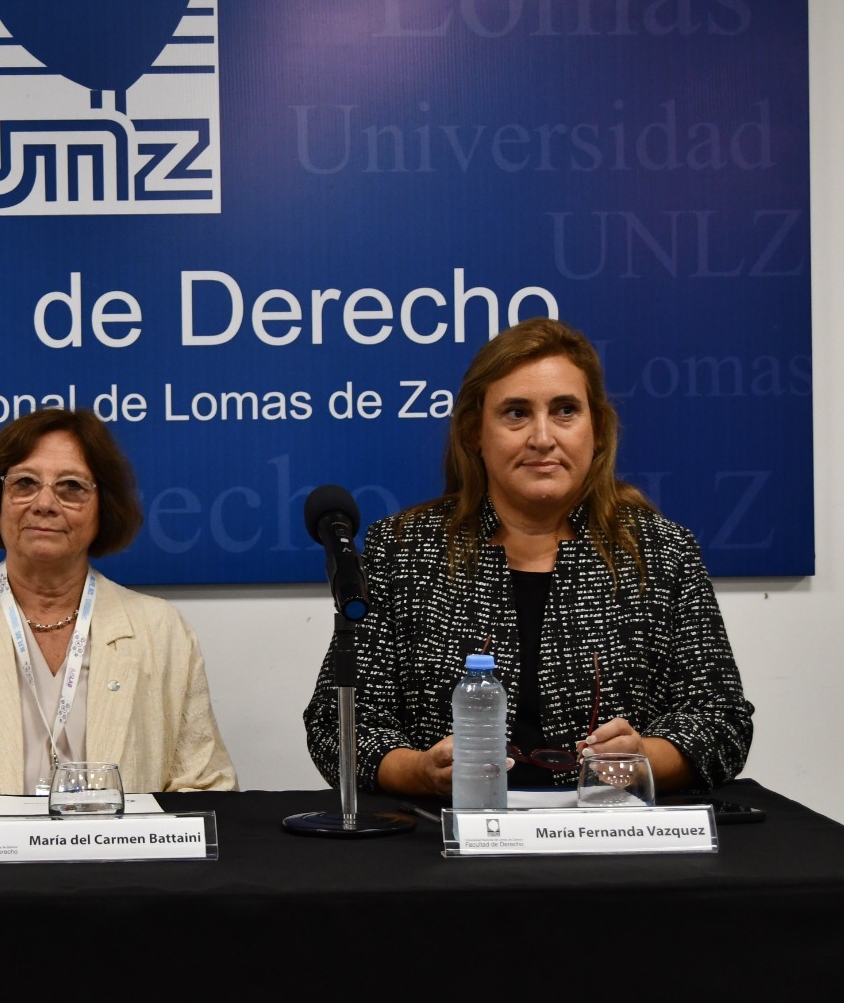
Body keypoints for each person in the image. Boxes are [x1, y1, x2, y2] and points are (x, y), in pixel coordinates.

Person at [303, 318, 753, 797]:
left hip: (612, 840)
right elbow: (338, 724)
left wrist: (641, 758)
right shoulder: (405, 550)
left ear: (596, 429)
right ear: (477, 432)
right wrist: (419, 772)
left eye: (565, 411)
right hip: (441, 844)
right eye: (516, 413)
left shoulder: (661, 554)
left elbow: (721, 720)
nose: (542, 437)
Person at [0, 408, 236, 796]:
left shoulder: (162, 629)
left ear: (104, 507)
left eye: (71, 487)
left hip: (120, 855)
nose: (44, 503)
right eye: (24, 483)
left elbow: (205, 784)